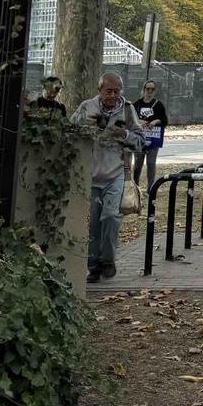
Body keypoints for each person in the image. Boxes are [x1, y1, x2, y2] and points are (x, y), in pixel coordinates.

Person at [72, 72, 144, 283]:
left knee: (111, 217)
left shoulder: (128, 110)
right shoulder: (87, 107)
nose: (113, 95)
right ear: (99, 91)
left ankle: (108, 260)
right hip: (92, 174)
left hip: (116, 174)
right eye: (108, 91)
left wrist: (125, 135)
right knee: (94, 223)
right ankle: (93, 266)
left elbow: (141, 142)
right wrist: (86, 125)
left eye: (117, 91)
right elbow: (69, 131)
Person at [131, 79, 169, 193]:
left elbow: (164, 120)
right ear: (144, 89)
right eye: (148, 89)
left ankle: (151, 189)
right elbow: (130, 119)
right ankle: (135, 187)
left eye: (152, 89)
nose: (150, 91)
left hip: (153, 138)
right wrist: (139, 121)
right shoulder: (136, 104)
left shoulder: (158, 105)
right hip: (139, 138)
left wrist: (155, 121)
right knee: (137, 164)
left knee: (151, 163)